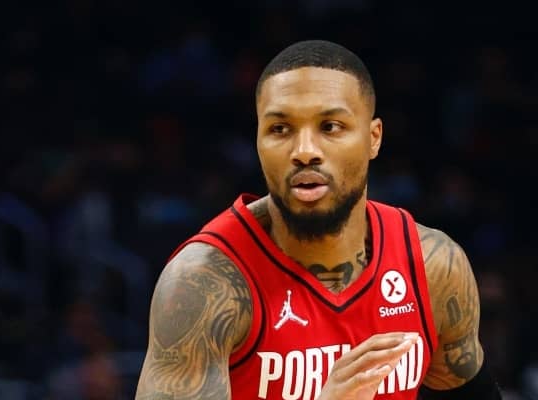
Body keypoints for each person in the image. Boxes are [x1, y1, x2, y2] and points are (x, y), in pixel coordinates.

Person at [135, 40, 502, 400]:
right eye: (280, 129)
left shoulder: (433, 265)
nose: (305, 151)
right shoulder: (204, 285)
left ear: (373, 138)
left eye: (330, 126)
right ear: (258, 141)